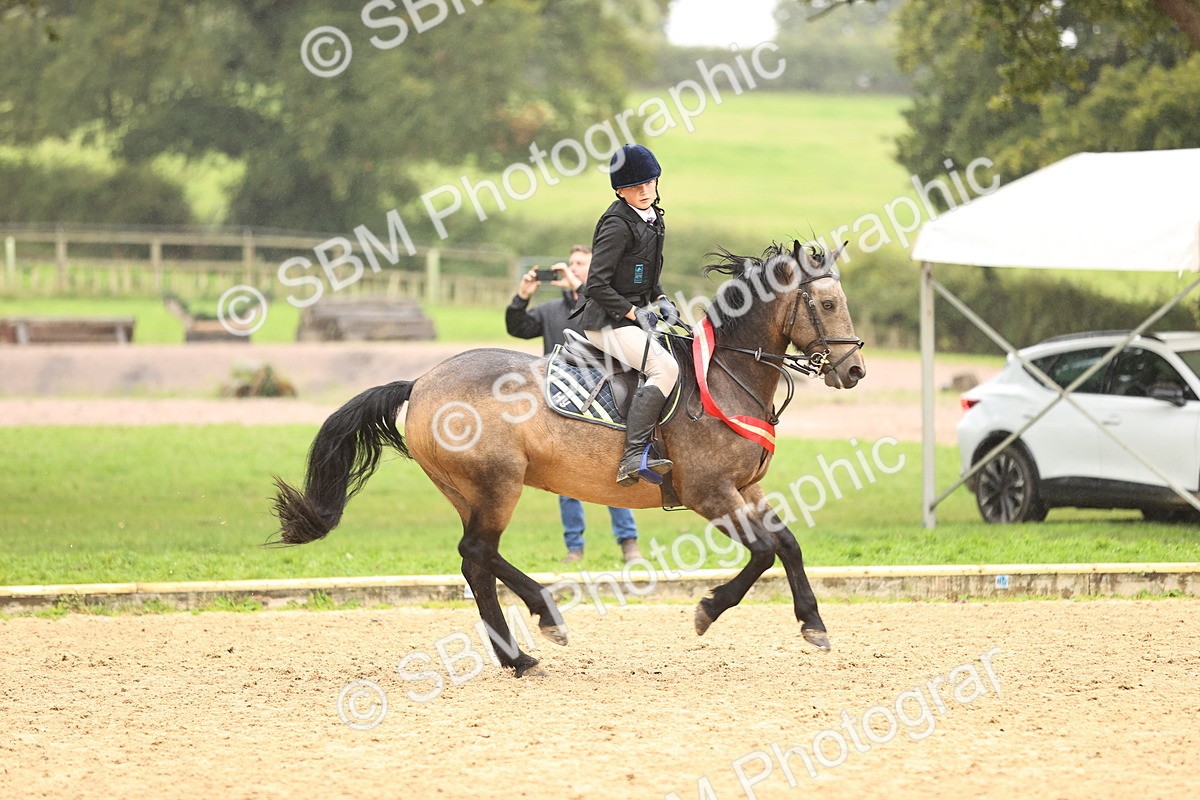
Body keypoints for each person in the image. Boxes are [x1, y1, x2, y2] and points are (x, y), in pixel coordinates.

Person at [505, 245, 643, 564]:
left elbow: (611, 321)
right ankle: (574, 548)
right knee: (565, 477)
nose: (573, 267)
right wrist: (522, 296)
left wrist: (580, 288)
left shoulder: (603, 306)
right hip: (562, 401)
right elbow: (518, 328)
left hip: (604, 398)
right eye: (571, 263)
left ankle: (629, 544)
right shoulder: (551, 310)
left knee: (612, 469)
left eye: (581, 263)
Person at [576, 143, 680, 486]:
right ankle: (633, 456)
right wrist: (634, 313)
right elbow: (596, 284)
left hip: (628, 316)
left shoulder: (653, 219)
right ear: (620, 191)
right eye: (636, 186)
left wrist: (661, 298)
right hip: (605, 322)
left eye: (649, 182)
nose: (645, 191)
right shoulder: (617, 225)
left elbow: (646, 273)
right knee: (664, 368)